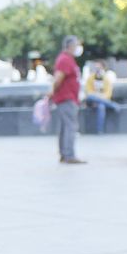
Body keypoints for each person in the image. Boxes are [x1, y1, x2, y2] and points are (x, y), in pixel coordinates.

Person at [50, 35, 84, 163]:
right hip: (66, 98)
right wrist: (52, 92)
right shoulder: (65, 59)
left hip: (67, 98)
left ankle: (65, 154)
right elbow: (58, 78)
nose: (78, 48)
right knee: (70, 127)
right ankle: (69, 155)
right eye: (77, 45)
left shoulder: (67, 59)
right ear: (71, 46)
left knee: (65, 127)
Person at [82, 61, 120, 134]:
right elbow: (88, 92)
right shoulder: (90, 78)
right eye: (96, 67)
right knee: (91, 96)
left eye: (99, 68)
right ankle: (112, 105)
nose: (97, 69)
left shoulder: (106, 79)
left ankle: (100, 130)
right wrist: (97, 97)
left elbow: (108, 93)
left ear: (103, 68)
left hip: (102, 101)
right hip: (91, 100)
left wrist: (99, 99)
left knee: (101, 107)